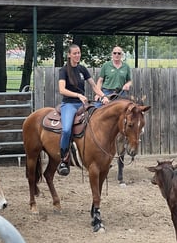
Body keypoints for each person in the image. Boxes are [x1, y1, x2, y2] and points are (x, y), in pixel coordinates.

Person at [57, 44, 109, 176]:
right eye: (74, 53)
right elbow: (62, 90)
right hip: (69, 104)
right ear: (69, 55)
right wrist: (78, 95)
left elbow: (93, 85)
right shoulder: (63, 70)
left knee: (98, 122)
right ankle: (64, 158)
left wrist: (103, 96)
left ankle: (99, 155)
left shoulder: (82, 69)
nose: (77, 55)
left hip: (83, 105)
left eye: (79, 53)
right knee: (67, 129)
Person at [96, 46, 133, 185]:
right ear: (112, 54)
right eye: (114, 53)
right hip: (107, 94)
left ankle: (133, 138)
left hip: (121, 95)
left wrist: (128, 85)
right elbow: (100, 80)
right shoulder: (106, 66)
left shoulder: (126, 67)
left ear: (121, 55)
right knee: (96, 113)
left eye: (119, 53)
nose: (117, 55)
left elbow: (130, 80)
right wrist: (99, 92)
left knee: (131, 118)